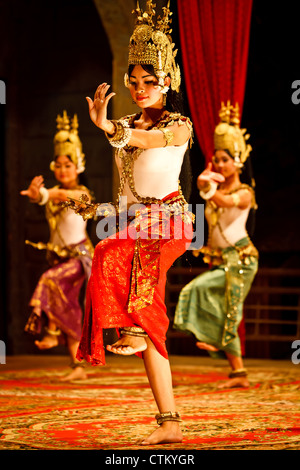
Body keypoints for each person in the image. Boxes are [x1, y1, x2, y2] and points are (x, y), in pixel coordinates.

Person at [70, 0, 194, 445]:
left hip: (172, 222)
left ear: (168, 80)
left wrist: (110, 128)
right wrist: (94, 210)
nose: (141, 88)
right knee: (149, 311)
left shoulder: (179, 125)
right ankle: (170, 421)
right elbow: (126, 198)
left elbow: (147, 139)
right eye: (134, 81)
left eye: (150, 81)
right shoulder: (122, 125)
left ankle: (131, 327)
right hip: (139, 225)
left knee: (109, 249)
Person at [174, 101, 259, 389]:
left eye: (225, 159)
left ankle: (216, 345)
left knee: (225, 307)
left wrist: (206, 187)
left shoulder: (245, 192)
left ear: (238, 161)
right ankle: (237, 372)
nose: (220, 164)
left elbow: (223, 201)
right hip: (225, 260)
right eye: (217, 159)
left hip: (243, 259)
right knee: (211, 301)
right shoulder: (214, 190)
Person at [21, 111, 94, 381]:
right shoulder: (51, 195)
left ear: (79, 166)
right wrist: (38, 196)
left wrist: (42, 194)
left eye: (68, 165)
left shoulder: (83, 195)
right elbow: (46, 198)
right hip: (60, 258)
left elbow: (63, 195)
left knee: (49, 281)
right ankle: (78, 366)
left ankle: (51, 334)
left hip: (80, 259)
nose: (63, 170)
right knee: (67, 306)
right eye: (59, 165)